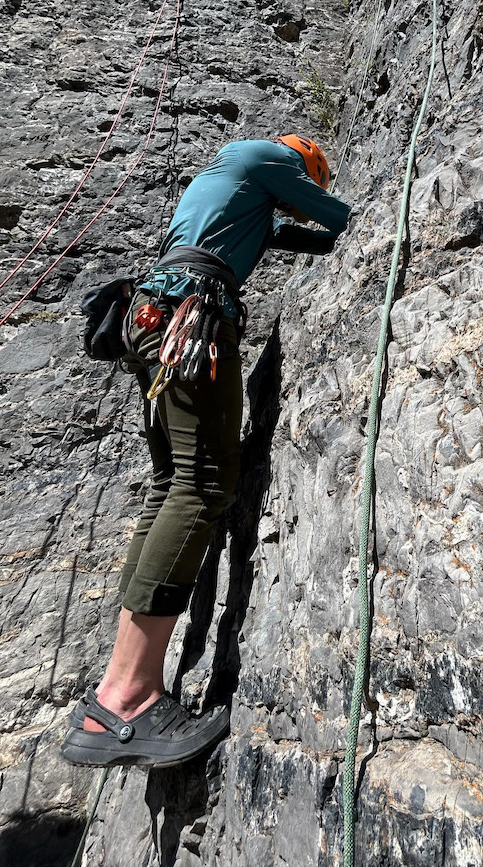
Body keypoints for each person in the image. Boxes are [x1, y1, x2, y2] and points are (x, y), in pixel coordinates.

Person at [61, 135, 350, 768]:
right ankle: (129, 695)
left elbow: (299, 238)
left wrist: (299, 231)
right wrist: (331, 212)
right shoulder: (266, 159)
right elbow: (337, 220)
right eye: (307, 179)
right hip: (194, 313)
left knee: (170, 483)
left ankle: (114, 687)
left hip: (156, 311)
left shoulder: (224, 192)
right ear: (300, 163)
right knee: (203, 483)